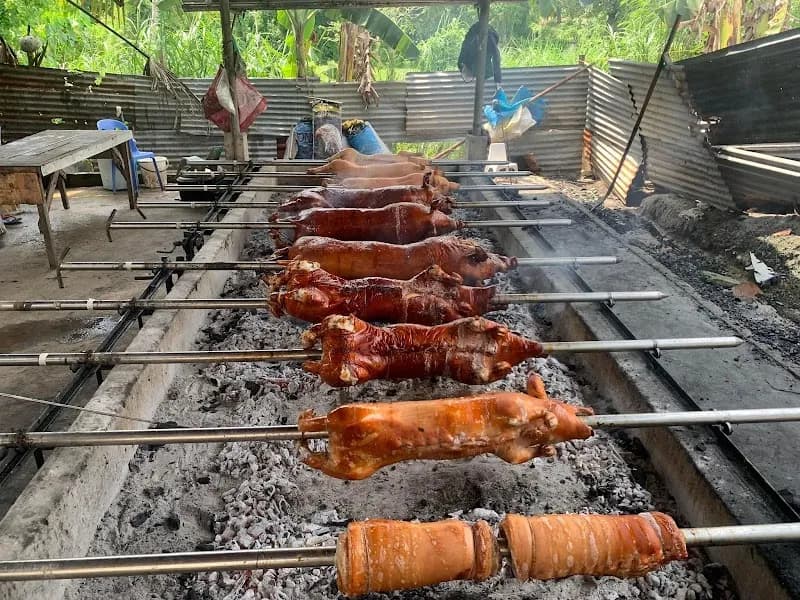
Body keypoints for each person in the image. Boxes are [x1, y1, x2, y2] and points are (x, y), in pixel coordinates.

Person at [457, 22, 502, 88]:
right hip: (479, 35)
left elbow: (496, 57)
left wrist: (497, 81)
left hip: (486, 35)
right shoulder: (466, 55)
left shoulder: (469, 50)